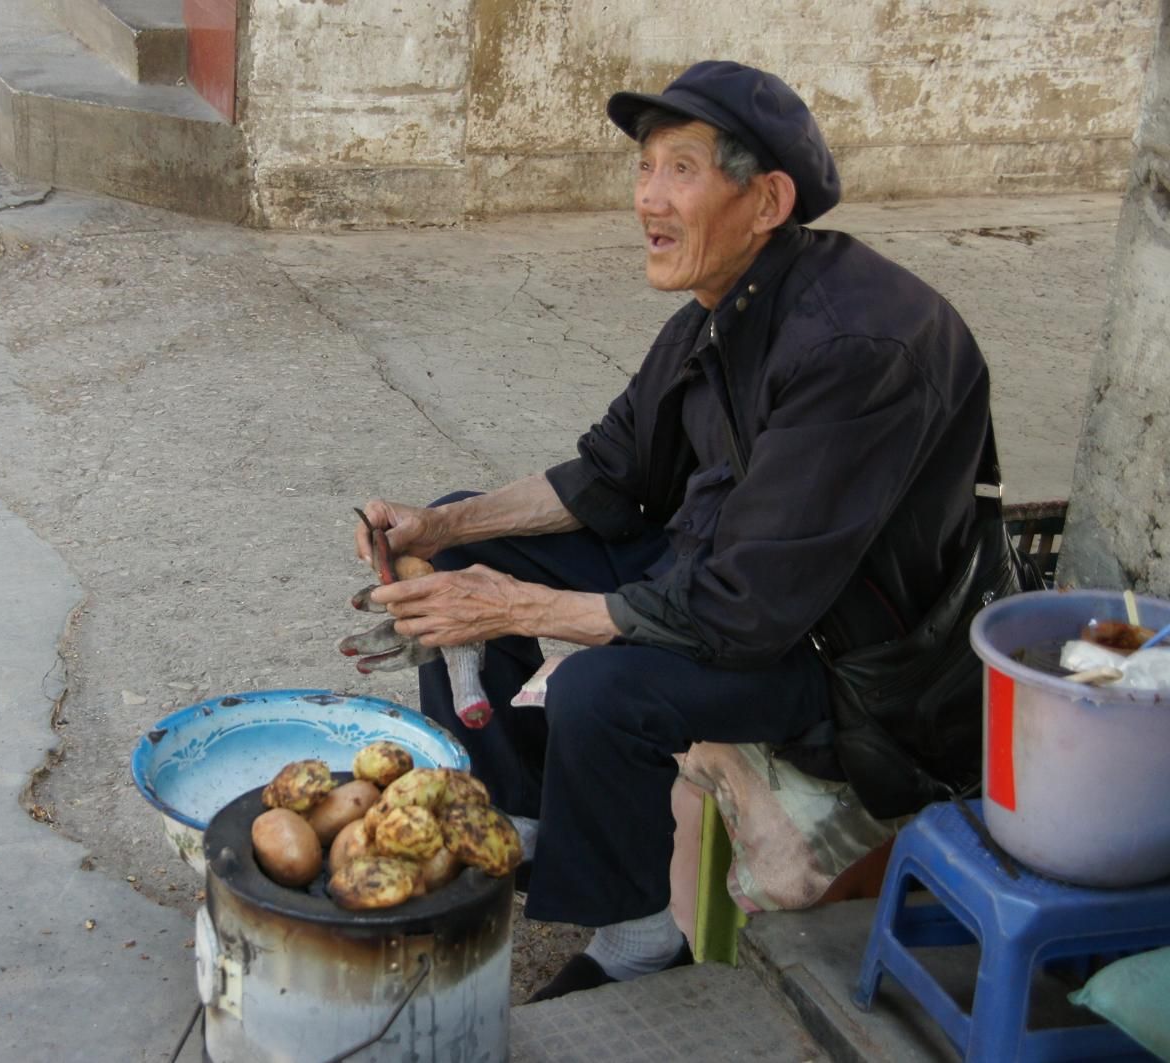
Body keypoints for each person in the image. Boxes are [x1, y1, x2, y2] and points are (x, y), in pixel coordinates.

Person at [349, 60, 1000, 1002]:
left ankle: (641, 935)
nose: (648, 199)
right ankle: (527, 814)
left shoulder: (856, 348)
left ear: (767, 200)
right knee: (462, 547)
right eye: (645, 168)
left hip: (844, 660)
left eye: (681, 170)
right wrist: (442, 523)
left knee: (605, 689)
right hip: (731, 575)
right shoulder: (722, 309)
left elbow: (745, 611)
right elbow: (610, 475)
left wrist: (514, 607)